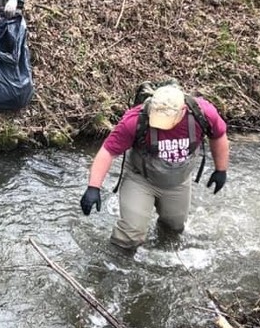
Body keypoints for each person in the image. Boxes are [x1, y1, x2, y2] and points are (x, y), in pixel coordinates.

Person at [79, 84, 230, 249]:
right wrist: (93, 187)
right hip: (140, 179)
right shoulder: (135, 120)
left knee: (174, 230)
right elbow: (107, 152)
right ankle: (119, 265)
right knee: (130, 234)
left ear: (183, 110)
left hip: (178, 181)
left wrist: (220, 169)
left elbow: (219, 136)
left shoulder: (202, 114)